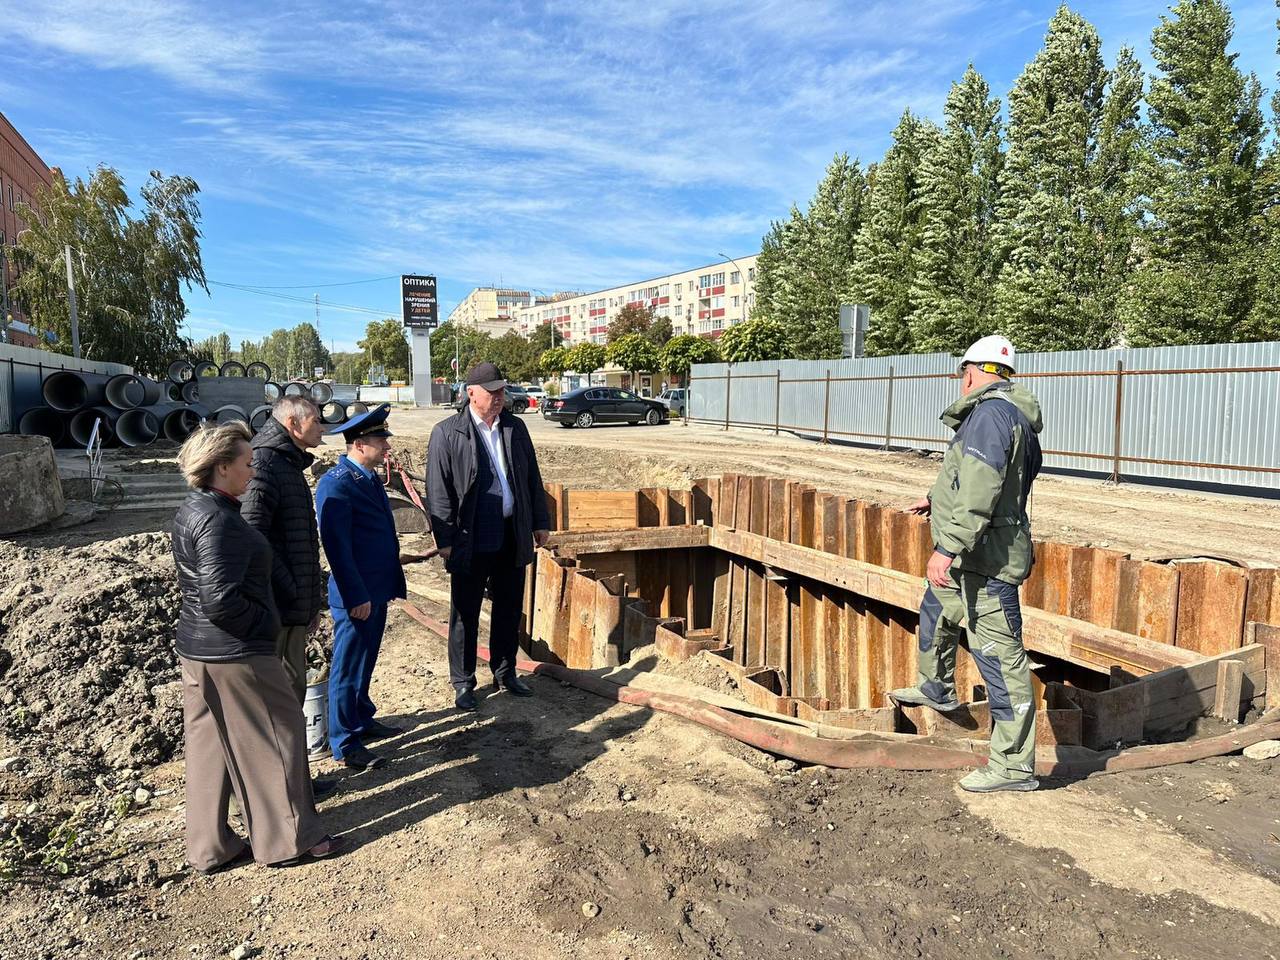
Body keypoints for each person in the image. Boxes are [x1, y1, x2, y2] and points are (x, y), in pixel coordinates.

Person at [171, 422, 341, 873]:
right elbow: (221, 599)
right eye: (246, 464)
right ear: (221, 467)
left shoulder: (193, 509)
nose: (253, 471)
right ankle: (289, 841)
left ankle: (211, 846)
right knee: (278, 737)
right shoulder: (218, 520)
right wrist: (264, 627)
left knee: (210, 747)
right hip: (237, 653)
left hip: (197, 651)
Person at [889, 335, 1044, 793]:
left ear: (972, 372)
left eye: (962, 374)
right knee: (937, 608)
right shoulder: (1004, 413)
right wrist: (935, 499)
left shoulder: (991, 416)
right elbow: (973, 480)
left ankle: (1014, 767)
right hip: (976, 552)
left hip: (988, 560)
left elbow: (984, 487)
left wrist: (948, 545)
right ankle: (936, 686)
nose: (961, 381)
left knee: (999, 658)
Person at [427, 362, 551, 712]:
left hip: (512, 532)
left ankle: (505, 671)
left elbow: (531, 480)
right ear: (471, 393)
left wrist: (539, 521)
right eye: (491, 392)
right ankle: (463, 682)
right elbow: (439, 492)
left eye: (501, 391)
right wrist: (446, 540)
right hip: (470, 537)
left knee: (510, 607)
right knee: (465, 612)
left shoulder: (515, 428)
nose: (499, 398)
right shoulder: (448, 433)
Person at [240, 395, 336, 798]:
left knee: (291, 694)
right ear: (293, 423)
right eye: (316, 421)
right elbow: (252, 534)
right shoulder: (265, 463)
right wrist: (292, 589)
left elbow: (293, 537)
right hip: (277, 606)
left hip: (291, 603)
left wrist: (308, 599)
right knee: (281, 697)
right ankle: (282, 790)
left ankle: (292, 781)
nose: (322, 428)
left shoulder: (286, 461)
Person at [315, 403, 406, 771]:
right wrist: (356, 596)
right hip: (358, 595)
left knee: (366, 660)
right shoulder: (335, 484)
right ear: (358, 444)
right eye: (379, 440)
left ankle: (361, 717)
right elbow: (336, 548)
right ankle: (344, 740)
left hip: (376, 588)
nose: (386, 448)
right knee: (348, 666)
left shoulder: (366, 478)